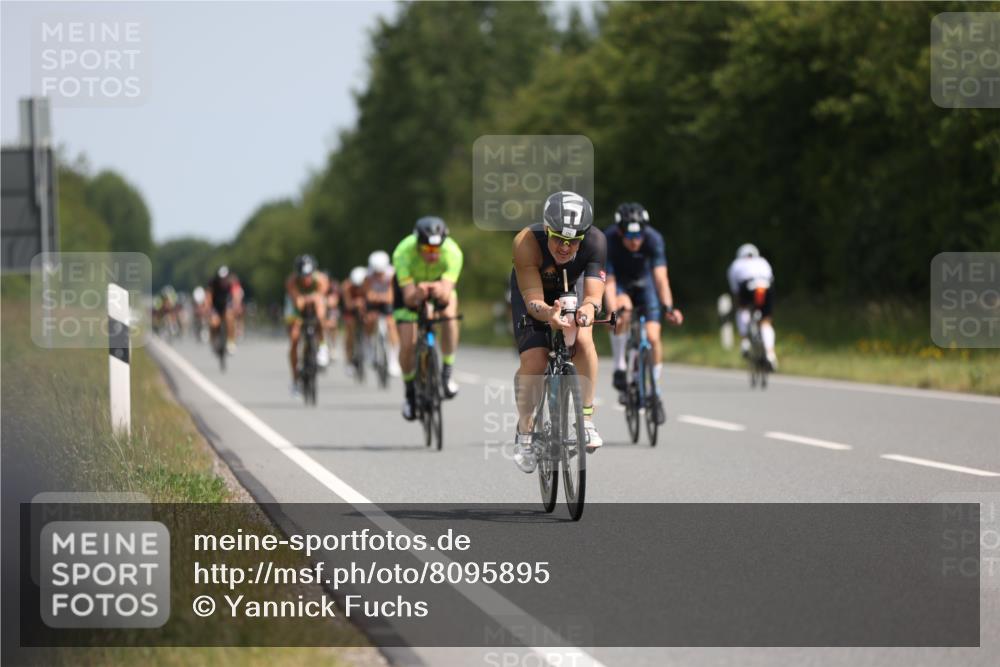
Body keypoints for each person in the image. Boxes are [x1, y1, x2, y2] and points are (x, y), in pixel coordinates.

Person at [510, 190, 605, 473]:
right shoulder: (526, 241)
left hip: (571, 288)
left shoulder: (597, 242)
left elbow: (593, 296)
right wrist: (549, 315)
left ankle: (586, 420)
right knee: (536, 361)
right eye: (559, 239)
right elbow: (533, 301)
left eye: (573, 241)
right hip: (534, 293)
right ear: (547, 229)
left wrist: (588, 310)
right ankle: (526, 431)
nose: (565, 247)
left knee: (584, 338)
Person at [604, 202, 683, 422]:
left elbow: (660, 278)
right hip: (619, 284)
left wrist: (668, 306)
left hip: (644, 283)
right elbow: (608, 282)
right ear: (620, 231)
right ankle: (620, 366)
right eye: (629, 236)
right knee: (623, 311)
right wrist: (613, 312)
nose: (635, 241)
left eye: (639, 236)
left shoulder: (654, 239)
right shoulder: (608, 240)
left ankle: (653, 391)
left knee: (654, 337)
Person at [392, 216, 464, 420]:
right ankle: (410, 393)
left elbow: (447, 291)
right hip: (410, 289)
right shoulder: (403, 252)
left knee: (450, 317)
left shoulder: (453, 252)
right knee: (408, 343)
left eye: (436, 250)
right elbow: (408, 297)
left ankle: (446, 374)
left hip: (440, 286)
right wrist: (418, 293)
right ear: (418, 245)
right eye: (427, 250)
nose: (433, 255)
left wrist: (437, 291)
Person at [284, 255, 331, 396]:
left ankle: (322, 347)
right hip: (296, 309)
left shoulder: (321, 279)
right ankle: (295, 379)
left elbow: (320, 298)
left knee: (321, 315)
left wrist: (316, 306)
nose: (306, 279)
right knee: (294, 338)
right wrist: (306, 300)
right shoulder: (291, 282)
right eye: (302, 276)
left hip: (315, 306)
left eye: (309, 275)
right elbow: (297, 302)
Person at [726, 243, 777, 369]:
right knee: (766, 322)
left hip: (748, 286)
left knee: (742, 309)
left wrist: (738, 303)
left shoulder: (736, 264)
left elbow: (735, 290)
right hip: (765, 287)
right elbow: (771, 279)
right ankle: (770, 354)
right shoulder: (763, 261)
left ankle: (745, 341)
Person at [365, 250, 402, 377]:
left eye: (380, 273)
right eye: (376, 273)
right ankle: (369, 347)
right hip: (374, 303)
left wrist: (382, 297)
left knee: (391, 325)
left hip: (388, 302)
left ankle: (393, 359)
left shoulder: (392, 274)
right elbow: (368, 294)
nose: (379, 275)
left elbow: (392, 294)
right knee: (369, 319)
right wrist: (376, 297)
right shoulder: (368, 275)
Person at [206, 266, 240, 354]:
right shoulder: (213, 283)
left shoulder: (232, 283)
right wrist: (208, 309)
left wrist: (237, 306)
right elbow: (208, 297)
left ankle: (231, 341)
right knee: (214, 323)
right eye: (221, 279)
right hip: (216, 307)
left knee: (230, 318)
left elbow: (236, 295)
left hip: (226, 306)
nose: (223, 281)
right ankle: (213, 340)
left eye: (225, 278)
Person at [341, 266, 369, 375]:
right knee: (350, 330)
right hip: (349, 310)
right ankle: (348, 361)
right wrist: (356, 303)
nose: (358, 289)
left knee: (369, 320)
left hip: (363, 308)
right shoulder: (346, 286)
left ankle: (368, 347)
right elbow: (348, 304)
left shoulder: (368, 284)